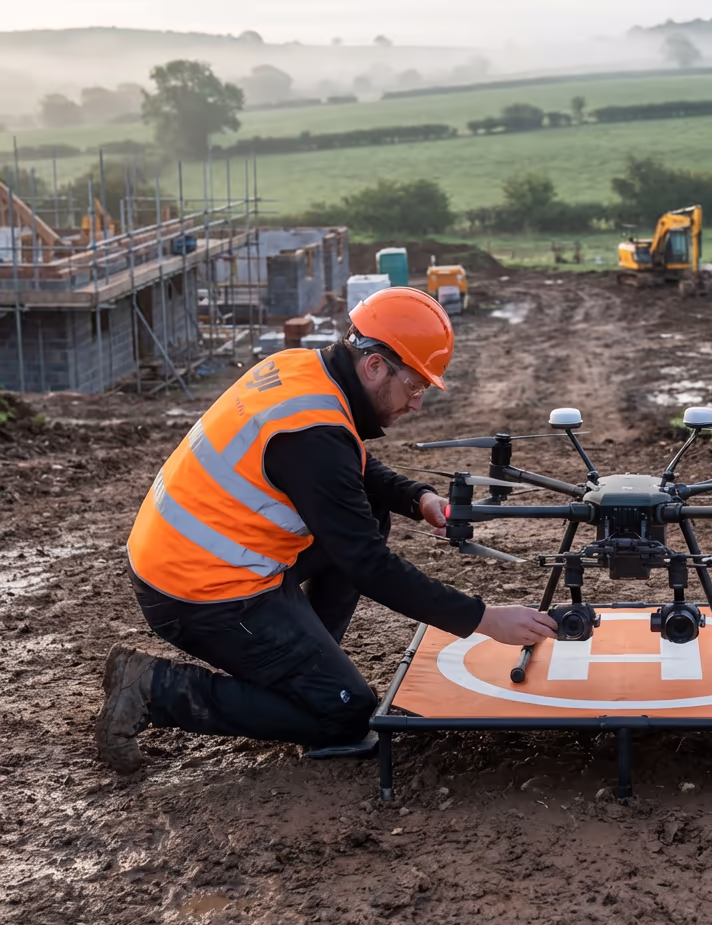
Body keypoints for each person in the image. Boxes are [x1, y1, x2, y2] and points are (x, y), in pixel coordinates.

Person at [96, 287, 557, 773]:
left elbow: (343, 462)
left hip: (189, 557)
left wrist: (414, 497)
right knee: (346, 712)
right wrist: (484, 619)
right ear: (375, 366)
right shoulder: (311, 435)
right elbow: (368, 565)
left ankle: (303, 668)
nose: (417, 403)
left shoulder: (301, 370)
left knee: (373, 513)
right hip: (199, 593)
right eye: (416, 385)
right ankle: (151, 688)